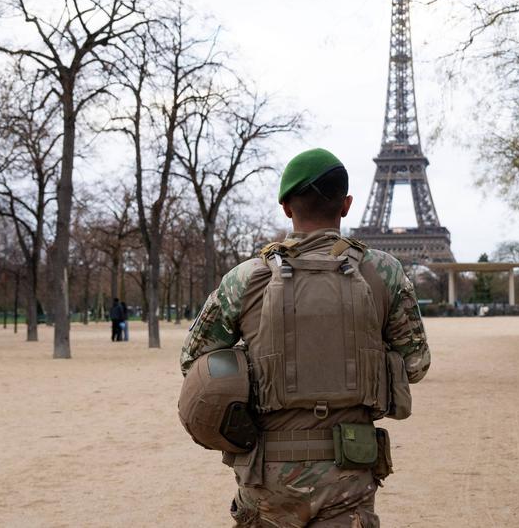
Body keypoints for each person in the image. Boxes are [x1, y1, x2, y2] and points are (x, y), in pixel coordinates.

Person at [180, 148, 430, 527]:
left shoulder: (245, 279)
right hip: (349, 471)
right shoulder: (385, 273)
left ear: (285, 207)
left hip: (269, 474)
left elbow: (194, 360)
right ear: (346, 205)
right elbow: (416, 364)